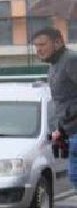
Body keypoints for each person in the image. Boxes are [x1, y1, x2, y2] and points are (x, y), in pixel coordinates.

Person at [32, 27, 77, 179]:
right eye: (36, 46)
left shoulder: (71, 60)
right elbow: (63, 101)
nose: (38, 50)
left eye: (42, 44)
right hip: (70, 133)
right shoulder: (53, 66)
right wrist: (61, 130)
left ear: (58, 42)